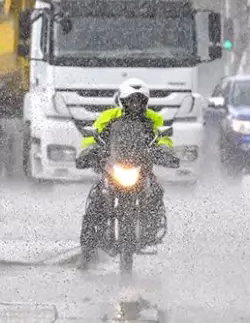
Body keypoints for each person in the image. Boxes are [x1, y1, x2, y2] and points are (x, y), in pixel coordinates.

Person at [76, 78, 177, 265]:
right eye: (131, 100)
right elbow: (93, 137)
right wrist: (90, 151)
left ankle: (150, 229)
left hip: (141, 169)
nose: (135, 104)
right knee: (97, 200)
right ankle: (87, 249)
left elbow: (163, 138)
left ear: (145, 102)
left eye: (139, 100)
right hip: (114, 168)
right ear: (122, 101)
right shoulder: (108, 116)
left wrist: (165, 151)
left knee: (155, 192)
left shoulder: (154, 119)